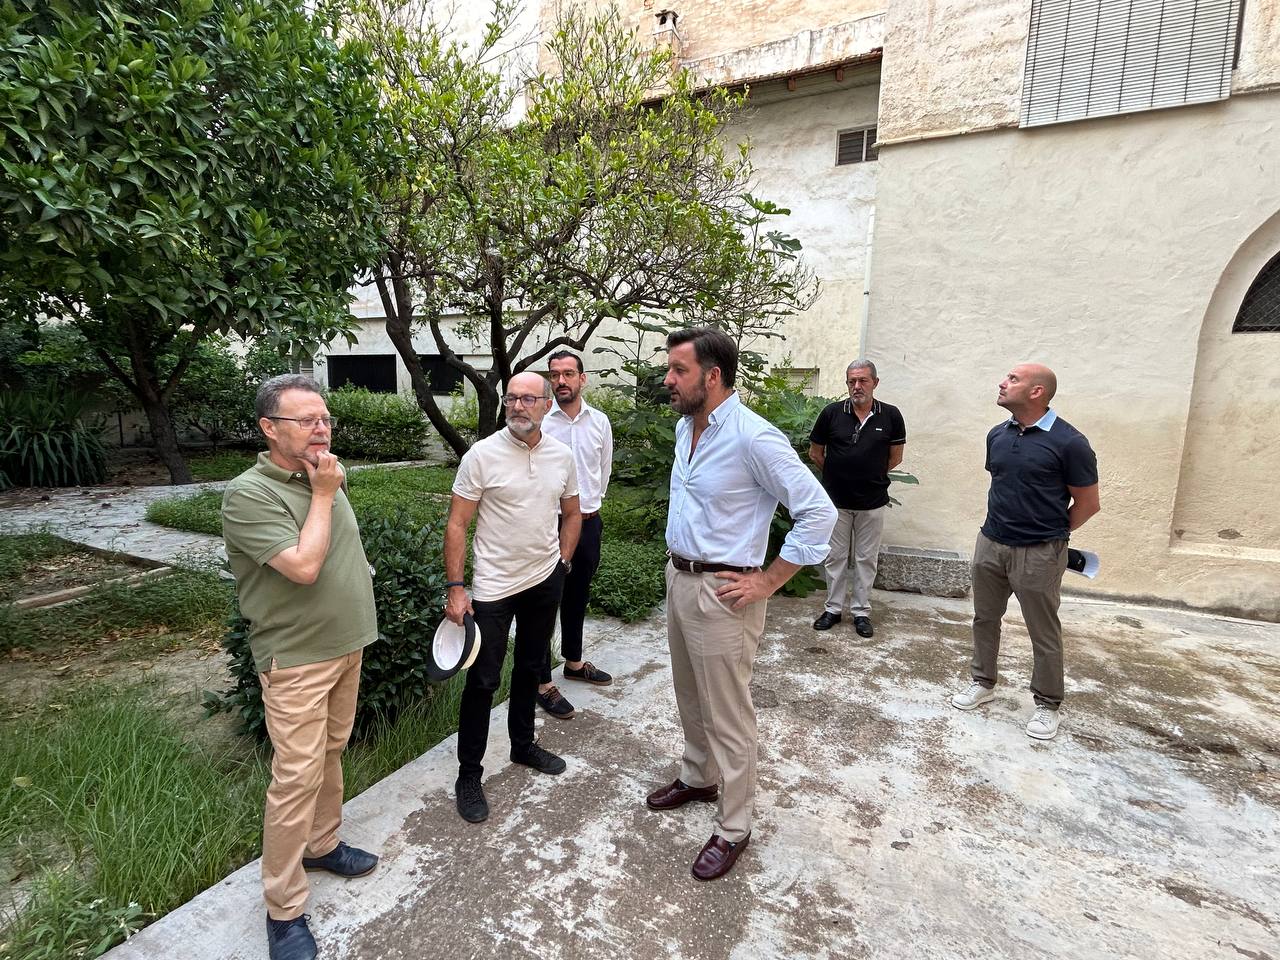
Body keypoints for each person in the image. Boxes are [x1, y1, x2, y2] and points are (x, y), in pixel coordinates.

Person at [646, 327, 836, 880]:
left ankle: (734, 825)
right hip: (680, 577)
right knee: (690, 693)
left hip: (725, 592)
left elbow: (818, 512)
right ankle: (699, 775)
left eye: (678, 370)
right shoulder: (687, 428)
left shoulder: (755, 437)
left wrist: (769, 581)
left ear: (712, 375)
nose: (668, 379)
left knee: (728, 711)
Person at [221, 375, 379, 960]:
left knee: (332, 752)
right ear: (268, 428)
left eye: (325, 419)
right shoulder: (249, 494)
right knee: (295, 779)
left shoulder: (323, 474)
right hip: (296, 660)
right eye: (306, 420)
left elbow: (341, 552)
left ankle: (323, 843)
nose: (321, 428)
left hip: (346, 645)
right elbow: (304, 568)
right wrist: (322, 493)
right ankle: (284, 908)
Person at [444, 371, 582, 823]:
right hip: (492, 589)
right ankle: (469, 775)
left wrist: (562, 562)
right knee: (483, 681)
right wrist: (457, 588)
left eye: (528, 399)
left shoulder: (562, 455)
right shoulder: (482, 455)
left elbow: (573, 511)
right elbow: (458, 524)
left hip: (544, 580)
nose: (519, 406)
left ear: (546, 405)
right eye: (512, 399)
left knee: (530, 669)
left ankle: (523, 747)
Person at [951, 363, 1100, 741]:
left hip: (1040, 551)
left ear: (1037, 392)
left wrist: (1053, 536)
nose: (1002, 383)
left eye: (1013, 379)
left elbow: (1088, 503)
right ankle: (983, 682)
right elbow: (1004, 484)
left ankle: (1048, 704)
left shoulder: (1070, 442)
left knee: (1042, 629)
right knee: (985, 618)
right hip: (991, 543)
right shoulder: (997, 436)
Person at [535, 350, 616, 720]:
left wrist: (589, 509)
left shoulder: (599, 423)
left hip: (587, 522)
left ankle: (573, 661)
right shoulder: (541, 423)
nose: (562, 381)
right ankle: (540, 683)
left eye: (569, 374)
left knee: (577, 595)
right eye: (555, 375)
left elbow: (603, 471)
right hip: (547, 525)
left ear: (583, 379)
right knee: (543, 600)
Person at [808, 359, 907, 637]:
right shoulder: (831, 414)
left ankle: (861, 612)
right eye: (852, 381)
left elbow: (895, 458)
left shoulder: (890, 416)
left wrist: (870, 474)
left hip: (872, 502)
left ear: (875, 382)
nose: (857, 386)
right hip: (836, 502)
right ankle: (833, 610)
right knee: (835, 557)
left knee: (866, 559)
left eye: (863, 380)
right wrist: (838, 474)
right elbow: (816, 453)